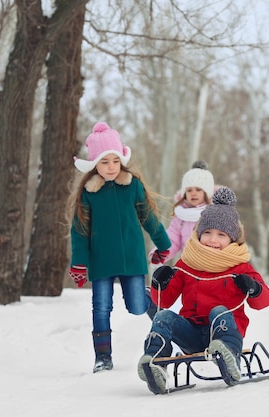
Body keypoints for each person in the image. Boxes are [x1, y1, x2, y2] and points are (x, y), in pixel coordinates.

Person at [137, 187, 269, 394]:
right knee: (164, 316)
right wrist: (159, 284)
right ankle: (154, 362)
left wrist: (253, 288)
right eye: (207, 233)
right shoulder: (187, 264)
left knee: (219, 311)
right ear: (198, 234)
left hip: (224, 332)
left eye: (221, 235)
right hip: (191, 333)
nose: (212, 240)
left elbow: (263, 302)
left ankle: (228, 355)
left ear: (232, 239)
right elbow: (163, 301)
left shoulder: (240, 267)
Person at [68, 121, 171, 373]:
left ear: (121, 160)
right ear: (95, 164)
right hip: (101, 259)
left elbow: (147, 216)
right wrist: (79, 263)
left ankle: (152, 304)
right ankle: (103, 357)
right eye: (104, 162)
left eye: (115, 161)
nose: (111, 167)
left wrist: (163, 244)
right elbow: (79, 230)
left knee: (136, 306)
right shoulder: (89, 192)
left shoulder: (132, 185)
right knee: (101, 307)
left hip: (131, 258)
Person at [147, 160, 215, 266]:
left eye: (198, 189)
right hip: (188, 264)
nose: (193, 193)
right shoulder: (181, 216)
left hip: (211, 264)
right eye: (189, 190)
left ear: (207, 192)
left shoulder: (215, 214)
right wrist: (160, 251)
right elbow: (172, 239)